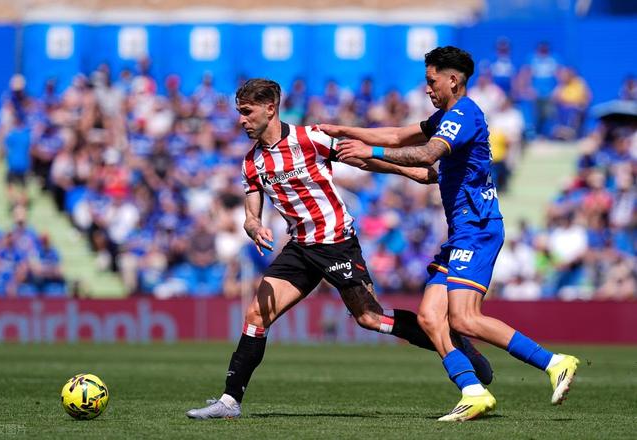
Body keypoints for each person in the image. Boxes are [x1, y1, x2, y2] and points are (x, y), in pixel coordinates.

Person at [186, 78, 492, 420]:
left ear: (270, 108)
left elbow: (360, 159)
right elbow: (251, 213)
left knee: (370, 318)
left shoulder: (309, 138)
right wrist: (254, 226)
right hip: (300, 247)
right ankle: (230, 402)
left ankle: (453, 343)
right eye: (239, 112)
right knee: (257, 315)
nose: (241, 120)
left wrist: (410, 172)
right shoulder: (251, 162)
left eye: (247, 112)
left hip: (336, 242)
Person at [321, 46, 579, 422]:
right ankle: (473, 391)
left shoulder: (463, 114)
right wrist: (347, 137)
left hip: (477, 229)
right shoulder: (446, 117)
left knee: (464, 319)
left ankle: (555, 362)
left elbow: (426, 156)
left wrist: (370, 151)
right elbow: (400, 139)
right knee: (430, 318)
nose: (427, 89)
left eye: (431, 81)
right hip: (461, 233)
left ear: (453, 80)